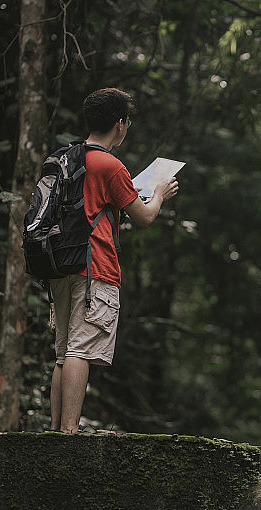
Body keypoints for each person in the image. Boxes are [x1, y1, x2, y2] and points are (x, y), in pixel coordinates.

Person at [49, 87, 179, 433]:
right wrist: (162, 194)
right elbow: (145, 216)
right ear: (120, 124)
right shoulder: (110, 165)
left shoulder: (68, 157)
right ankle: (69, 433)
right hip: (96, 269)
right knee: (81, 349)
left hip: (61, 265)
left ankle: (55, 430)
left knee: (63, 353)